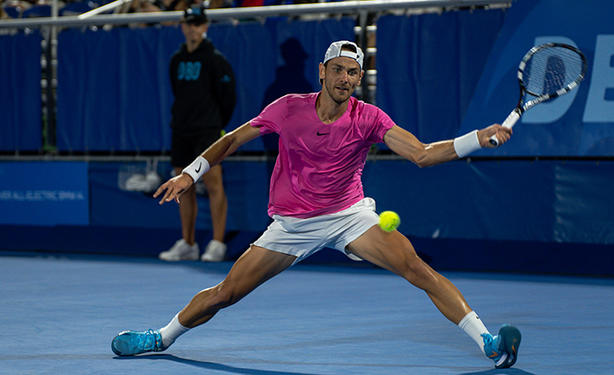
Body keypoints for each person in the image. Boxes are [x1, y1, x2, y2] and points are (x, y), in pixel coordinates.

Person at [112, 40, 521, 369]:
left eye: (353, 72)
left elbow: (422, 154)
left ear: (360, 78)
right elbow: (233, 140)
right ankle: (162, 337)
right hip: (291, 224)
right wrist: (191, 173)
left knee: (418, 269)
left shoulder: (370, 117)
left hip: (349, 216)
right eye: (338, 69)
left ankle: (488, 342)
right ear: (322, 71)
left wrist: (476, 139)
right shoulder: (288, 108)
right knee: (226, 294)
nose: (345, 78)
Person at [158, 5, 236, 262]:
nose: (192, 28)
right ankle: (188, 244)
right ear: (183, 26)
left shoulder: (216, 60)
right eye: (188, 23)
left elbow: (228, 99)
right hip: (181, 130)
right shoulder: (176, 60)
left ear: (204, 27)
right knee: (183, 187)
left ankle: (217, 243)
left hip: (208, 131)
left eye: (197, 24)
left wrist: (215, 125)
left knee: (214, 185)